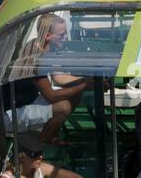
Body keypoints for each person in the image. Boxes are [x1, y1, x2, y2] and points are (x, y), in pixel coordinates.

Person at [6, 14, 88, 143]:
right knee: (64, 107)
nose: (65, 38)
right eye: (62, 35)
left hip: (30, 98)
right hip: (15, 109)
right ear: (47, 36)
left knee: (76, 95)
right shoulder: (35, 57)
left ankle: (50, 134)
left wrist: (84, 81)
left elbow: (59, 77)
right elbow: (51, 96)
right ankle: (41, 143)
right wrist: (84, 85)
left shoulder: (46, 47)